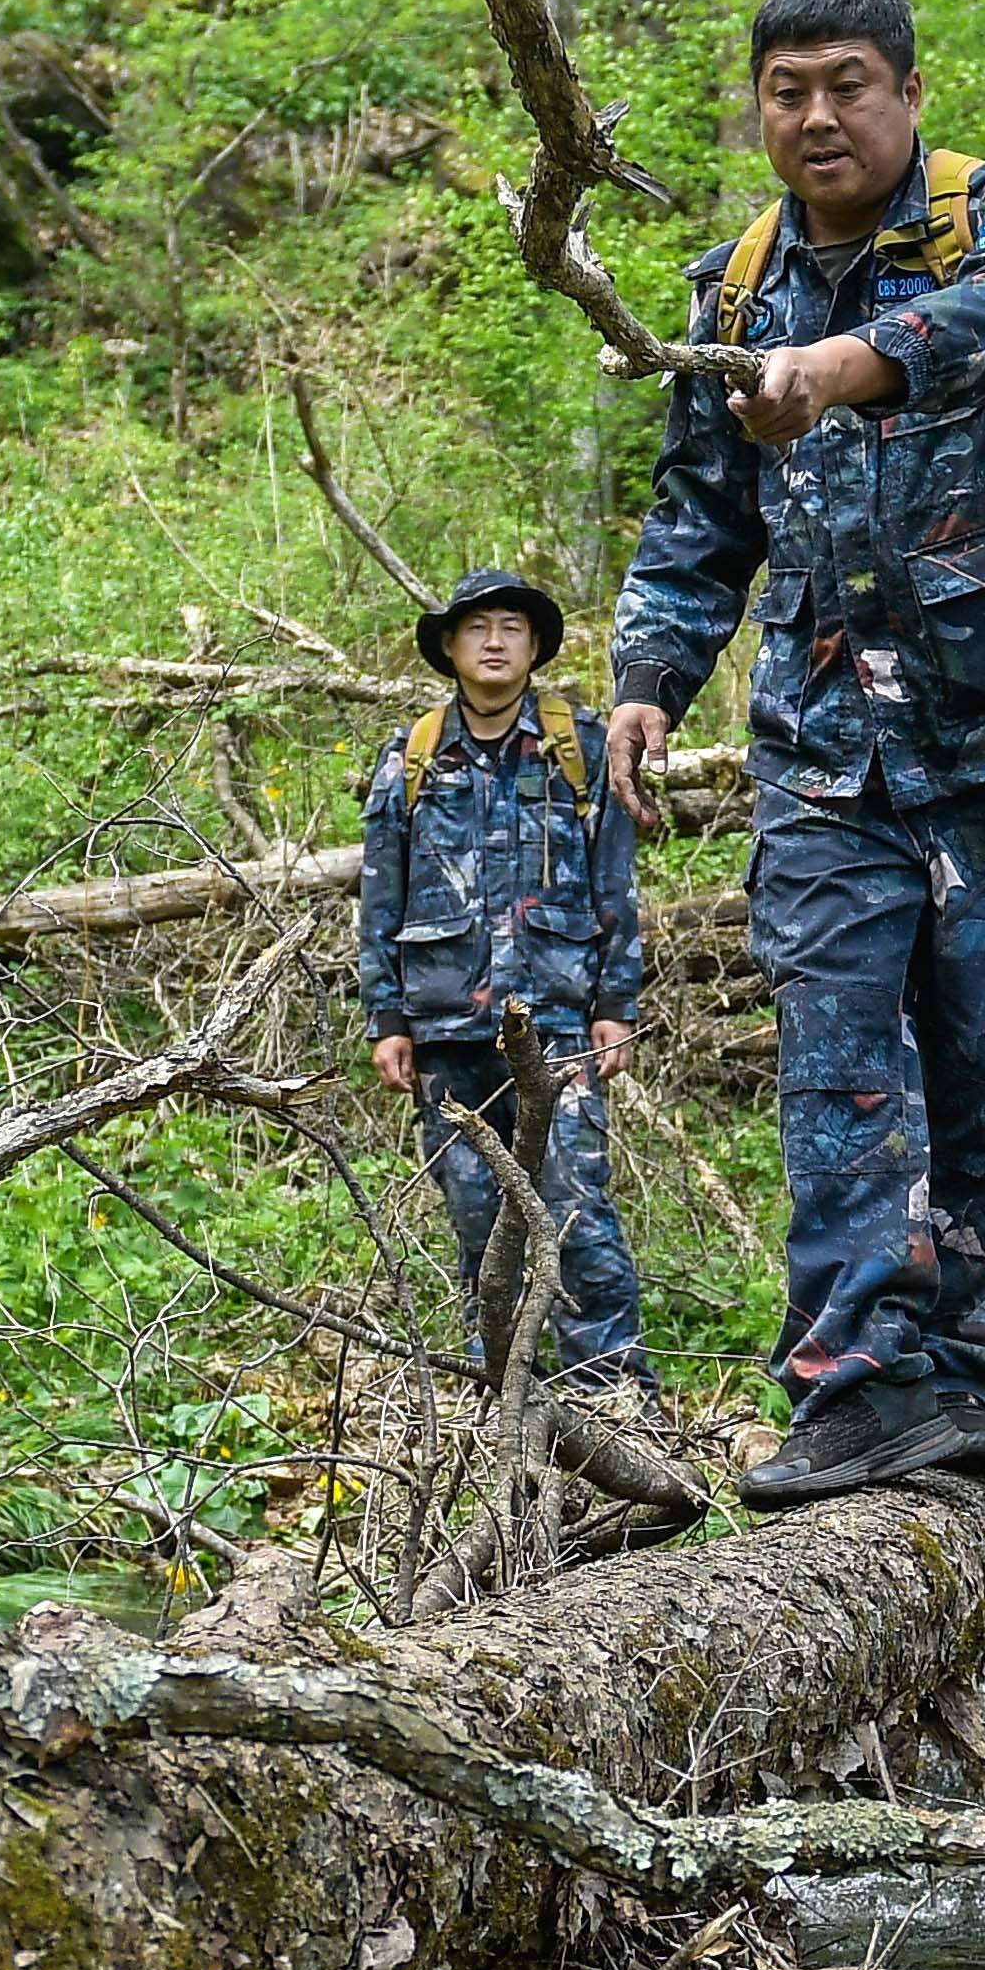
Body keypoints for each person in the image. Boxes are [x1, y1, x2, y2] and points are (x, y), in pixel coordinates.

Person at [603, 0, 985, 1508]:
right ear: (758, 109)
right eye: (787, 90)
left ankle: (949, 1382)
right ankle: (846, 1386)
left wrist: (840, 371)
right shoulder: (729, 289)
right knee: (840, 1057)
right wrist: (650, 675)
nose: (817, 115)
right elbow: (698, 517)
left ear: (905, 94)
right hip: (826, 756)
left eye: (847, 84)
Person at [362, 567, 654, 1391]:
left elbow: (615, 885)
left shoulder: (580, 747)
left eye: (511, 629)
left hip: (557, 1024)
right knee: (480, 1227)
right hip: (449, 1031)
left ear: (533, 647)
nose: (494, 642)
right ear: (450, 646)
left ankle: (618, 1407)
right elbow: (380, 893)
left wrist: (615, 1004)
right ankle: (506, 1415)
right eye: (478, 628)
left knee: (578, 1216)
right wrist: (387, 1017)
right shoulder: (411, 756)